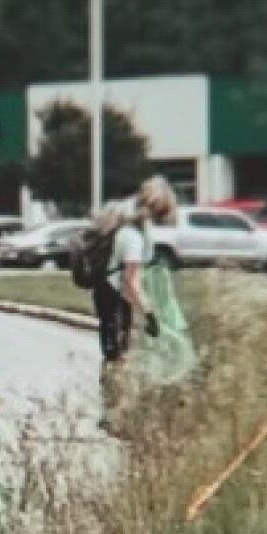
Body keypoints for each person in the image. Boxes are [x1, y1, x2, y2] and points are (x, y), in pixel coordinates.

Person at [76, 176, 170, 430]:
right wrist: (148, 312)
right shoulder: (133, 238)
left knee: (113, 355)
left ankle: (110, 412)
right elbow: (130, 281)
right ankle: (114, 416)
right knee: (117, 356)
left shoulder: (127, 230)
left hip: (106, 293)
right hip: (115, 296)